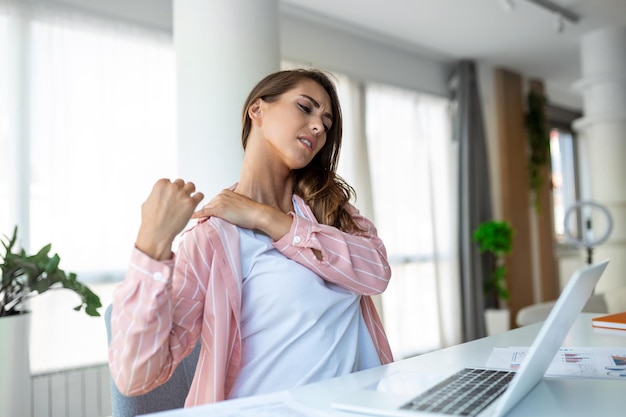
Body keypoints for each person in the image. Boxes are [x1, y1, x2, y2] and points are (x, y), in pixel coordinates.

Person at [108, 68, 393, 408]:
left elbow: (377, 274)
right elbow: (134, 376)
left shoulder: (329, 209)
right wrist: (150, 247)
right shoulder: (213, 239)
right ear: (257, 110)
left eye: (326, 123)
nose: (318, 126)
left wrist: (266, 218)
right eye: (306, 107)